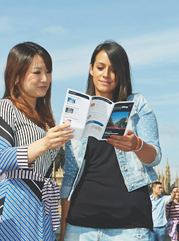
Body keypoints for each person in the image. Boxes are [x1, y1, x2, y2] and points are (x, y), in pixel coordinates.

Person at [59, 41, 162, 241]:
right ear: (91, 69)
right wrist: (64, 229)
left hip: (130, 226)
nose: (106, 74)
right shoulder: (77, 110)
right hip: (81, 226)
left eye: (113, 70)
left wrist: (137, 145)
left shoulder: (137, 104)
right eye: (100, 67)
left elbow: (155, 157)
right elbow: (70, 175)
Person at [0, 42, 72, 241]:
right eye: (37, 72)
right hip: (14, 207)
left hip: (42, 209)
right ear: (15, 78)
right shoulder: (5, 107)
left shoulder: (46, 119)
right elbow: (4, 159)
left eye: (48, 72)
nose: (45, 79)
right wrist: (46, 143)